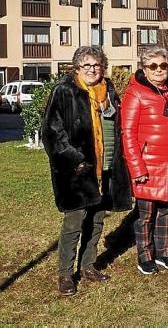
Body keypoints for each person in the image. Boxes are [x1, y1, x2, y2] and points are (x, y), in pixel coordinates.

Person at [42, 47, 132, 296]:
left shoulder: (109, 90)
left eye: (97, 65)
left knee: (97, 218)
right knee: (75, 221)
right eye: (87, 65)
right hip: (77, 169)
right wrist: (74, 158)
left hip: (106, 165)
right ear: (77, 68)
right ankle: (65, 274)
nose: (92, 69)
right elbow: (52, 131)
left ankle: (88, 266)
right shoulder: (65, 91)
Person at [121, 47, 168, 275]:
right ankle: (145, 256)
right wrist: (137, 167)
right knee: (146, 215)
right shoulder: (135, 93)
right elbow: (128, 134)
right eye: (153, 66)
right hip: (148, 165)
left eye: (163, 66)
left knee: (166, 211)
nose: (159, 70)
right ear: (144, 69)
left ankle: (164, 253)